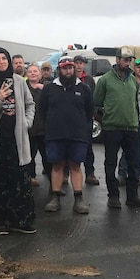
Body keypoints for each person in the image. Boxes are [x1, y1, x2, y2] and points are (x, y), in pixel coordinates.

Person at [0, 47, 36, 235]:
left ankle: (20, 221)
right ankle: (1, 221)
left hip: (17, 140)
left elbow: (30, 104)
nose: (1, 62)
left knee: (19, 181)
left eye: (4, 59)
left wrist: (26, 122)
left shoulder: (19, 81)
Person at [93, 46, 140, 209]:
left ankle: (132, 196)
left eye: (129, 60)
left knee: (134, 163)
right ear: (117, 60)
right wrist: (110, 112)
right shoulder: (105, 80)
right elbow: (97, 100)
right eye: (125, 59)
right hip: (111, 127)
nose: (128, 63)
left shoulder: (133, 80)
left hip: (131, 127)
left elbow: (135, 102)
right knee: (111, 163)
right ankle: (113, 196)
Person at [40, 56, 94, 214]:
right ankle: (55, 198)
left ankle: (79, 199)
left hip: (77, 136)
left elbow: (89, 111)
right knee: (57, 166)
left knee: (76, 166)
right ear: (59, 70)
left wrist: (80, 127)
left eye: (70, 68)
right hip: (55, 135)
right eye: (65, 68)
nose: (68, 71)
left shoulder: (84, 89)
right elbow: (42, 110)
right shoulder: (49, 89)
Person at [118, 57, 140, 187]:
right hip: (130, 122)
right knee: (128, 149)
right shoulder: (128, 80)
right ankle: (122, 174)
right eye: (138, 67)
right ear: (135, 68)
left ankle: (139, 175)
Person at [73, 54, 99, 185]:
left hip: (86, 119)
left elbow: (93, 99)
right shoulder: (68, 79)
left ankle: (90, 173)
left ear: (84, 65)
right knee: (69, 146)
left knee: (88, 146)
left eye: (81, 63)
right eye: (76, 63)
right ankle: (66, 174)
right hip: (71, 120)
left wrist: (91, 115)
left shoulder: (89, 80)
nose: (78, 65)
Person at [25, 64, 47, 184]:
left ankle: (52, 181)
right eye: (30, 71)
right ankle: (31, 177)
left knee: (47, 157)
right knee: (29, 156)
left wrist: (44, 89)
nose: (33, 73)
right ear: (27, 74)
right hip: (29, 128)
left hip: (43, 128)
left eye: (35, 71)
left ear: (39, 73)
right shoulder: (24, 88)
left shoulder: (47, 87)